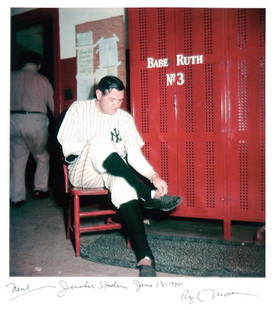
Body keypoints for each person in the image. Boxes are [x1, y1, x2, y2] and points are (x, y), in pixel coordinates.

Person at [57, 75, 181, 277]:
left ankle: (145, 257)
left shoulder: (124, 118)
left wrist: (154, 175)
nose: (116, 105)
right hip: (83, 170)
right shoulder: (78, 109)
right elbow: (67, 147)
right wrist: (102, 146)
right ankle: (145, 193)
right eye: (111, 100)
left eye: (120, 100)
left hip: (114, 170)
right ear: (99, 94)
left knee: (122, 181)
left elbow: (134, 155)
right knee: (99, 142)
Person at [10, 51, 54, 208]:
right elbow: (52, 105)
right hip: (35, 121)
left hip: (12, 120)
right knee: (42, 156)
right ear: (39, 65)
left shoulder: (10, 77)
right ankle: (40, 189)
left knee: (17, 159)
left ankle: (16, 197)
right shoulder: (43, 80)